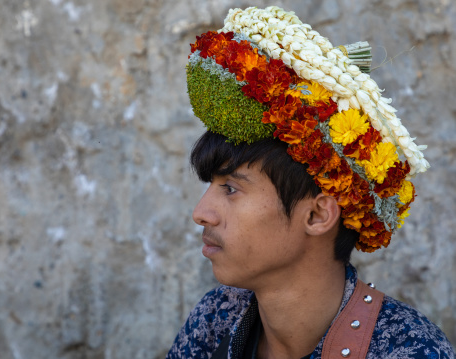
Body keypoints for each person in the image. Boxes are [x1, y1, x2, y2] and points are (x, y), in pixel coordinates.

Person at [167, 6, 455, 359]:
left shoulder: (408, 350)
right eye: (211, 186)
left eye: (230, 188)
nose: (201, 213)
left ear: (317, 216)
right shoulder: (217, 318)